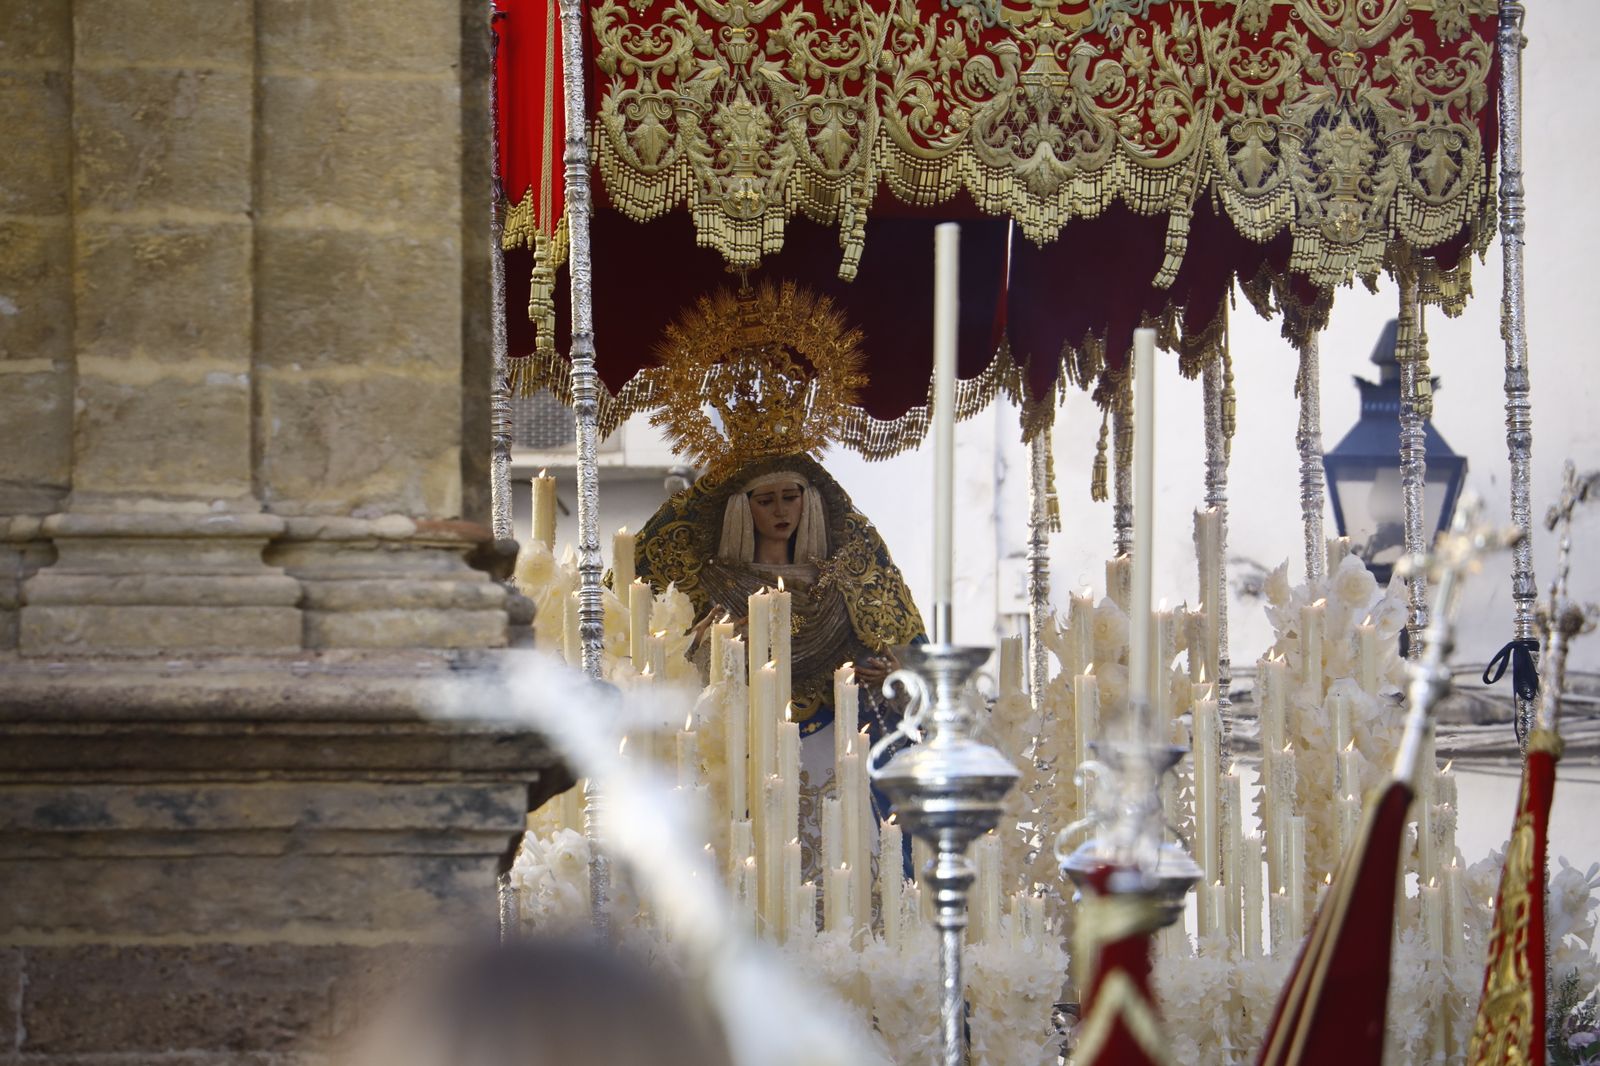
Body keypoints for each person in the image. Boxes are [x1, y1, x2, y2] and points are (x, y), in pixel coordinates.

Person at [633, 452, 925, 878]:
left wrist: (890, 678)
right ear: (742, 506)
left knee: (848, 865)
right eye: (766, 501)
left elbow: (904, 673)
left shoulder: (842, 583)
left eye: (791, 497)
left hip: (833, 747)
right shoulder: (714, 584)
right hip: (746, 751)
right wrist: (717, 646)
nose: (781, 511)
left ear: (809, 500)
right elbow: (676, 669)